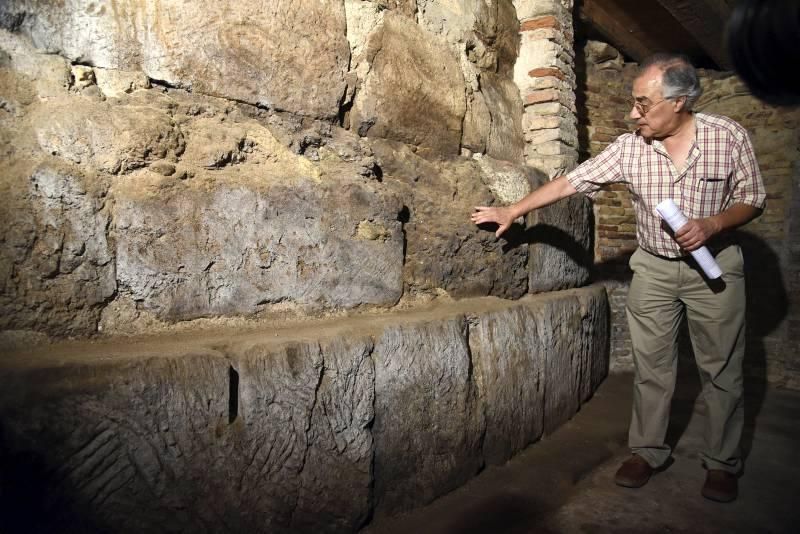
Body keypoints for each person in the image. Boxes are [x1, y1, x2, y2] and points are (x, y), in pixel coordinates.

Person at [471, 53, 765, 503]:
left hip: (716, 264)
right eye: (633, 102)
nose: (633, 114)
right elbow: (572, 181)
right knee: (653, 368)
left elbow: (753, 198)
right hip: (653, 268)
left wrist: (713, 224)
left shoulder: (728, 137)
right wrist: (513, 209)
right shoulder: (631, 148)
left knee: (722, 368)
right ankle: (647, 451)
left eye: (643, 104)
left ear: (680, 102)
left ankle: (722, 463)